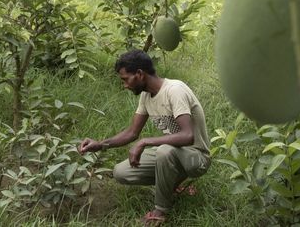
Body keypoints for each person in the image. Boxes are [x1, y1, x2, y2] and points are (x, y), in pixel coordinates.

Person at [78, 49, 211, 225]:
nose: (124, 85)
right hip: (174, 153)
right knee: (121, 172)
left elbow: (187, 136)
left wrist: (145, 141)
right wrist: (100, 144)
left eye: (126, 79)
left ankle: (161, 210)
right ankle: (173, 184)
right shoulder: (146, 96)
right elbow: (132, 132)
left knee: (164, 152)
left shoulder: (174, 90)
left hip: (196, 157)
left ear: (140, 74)